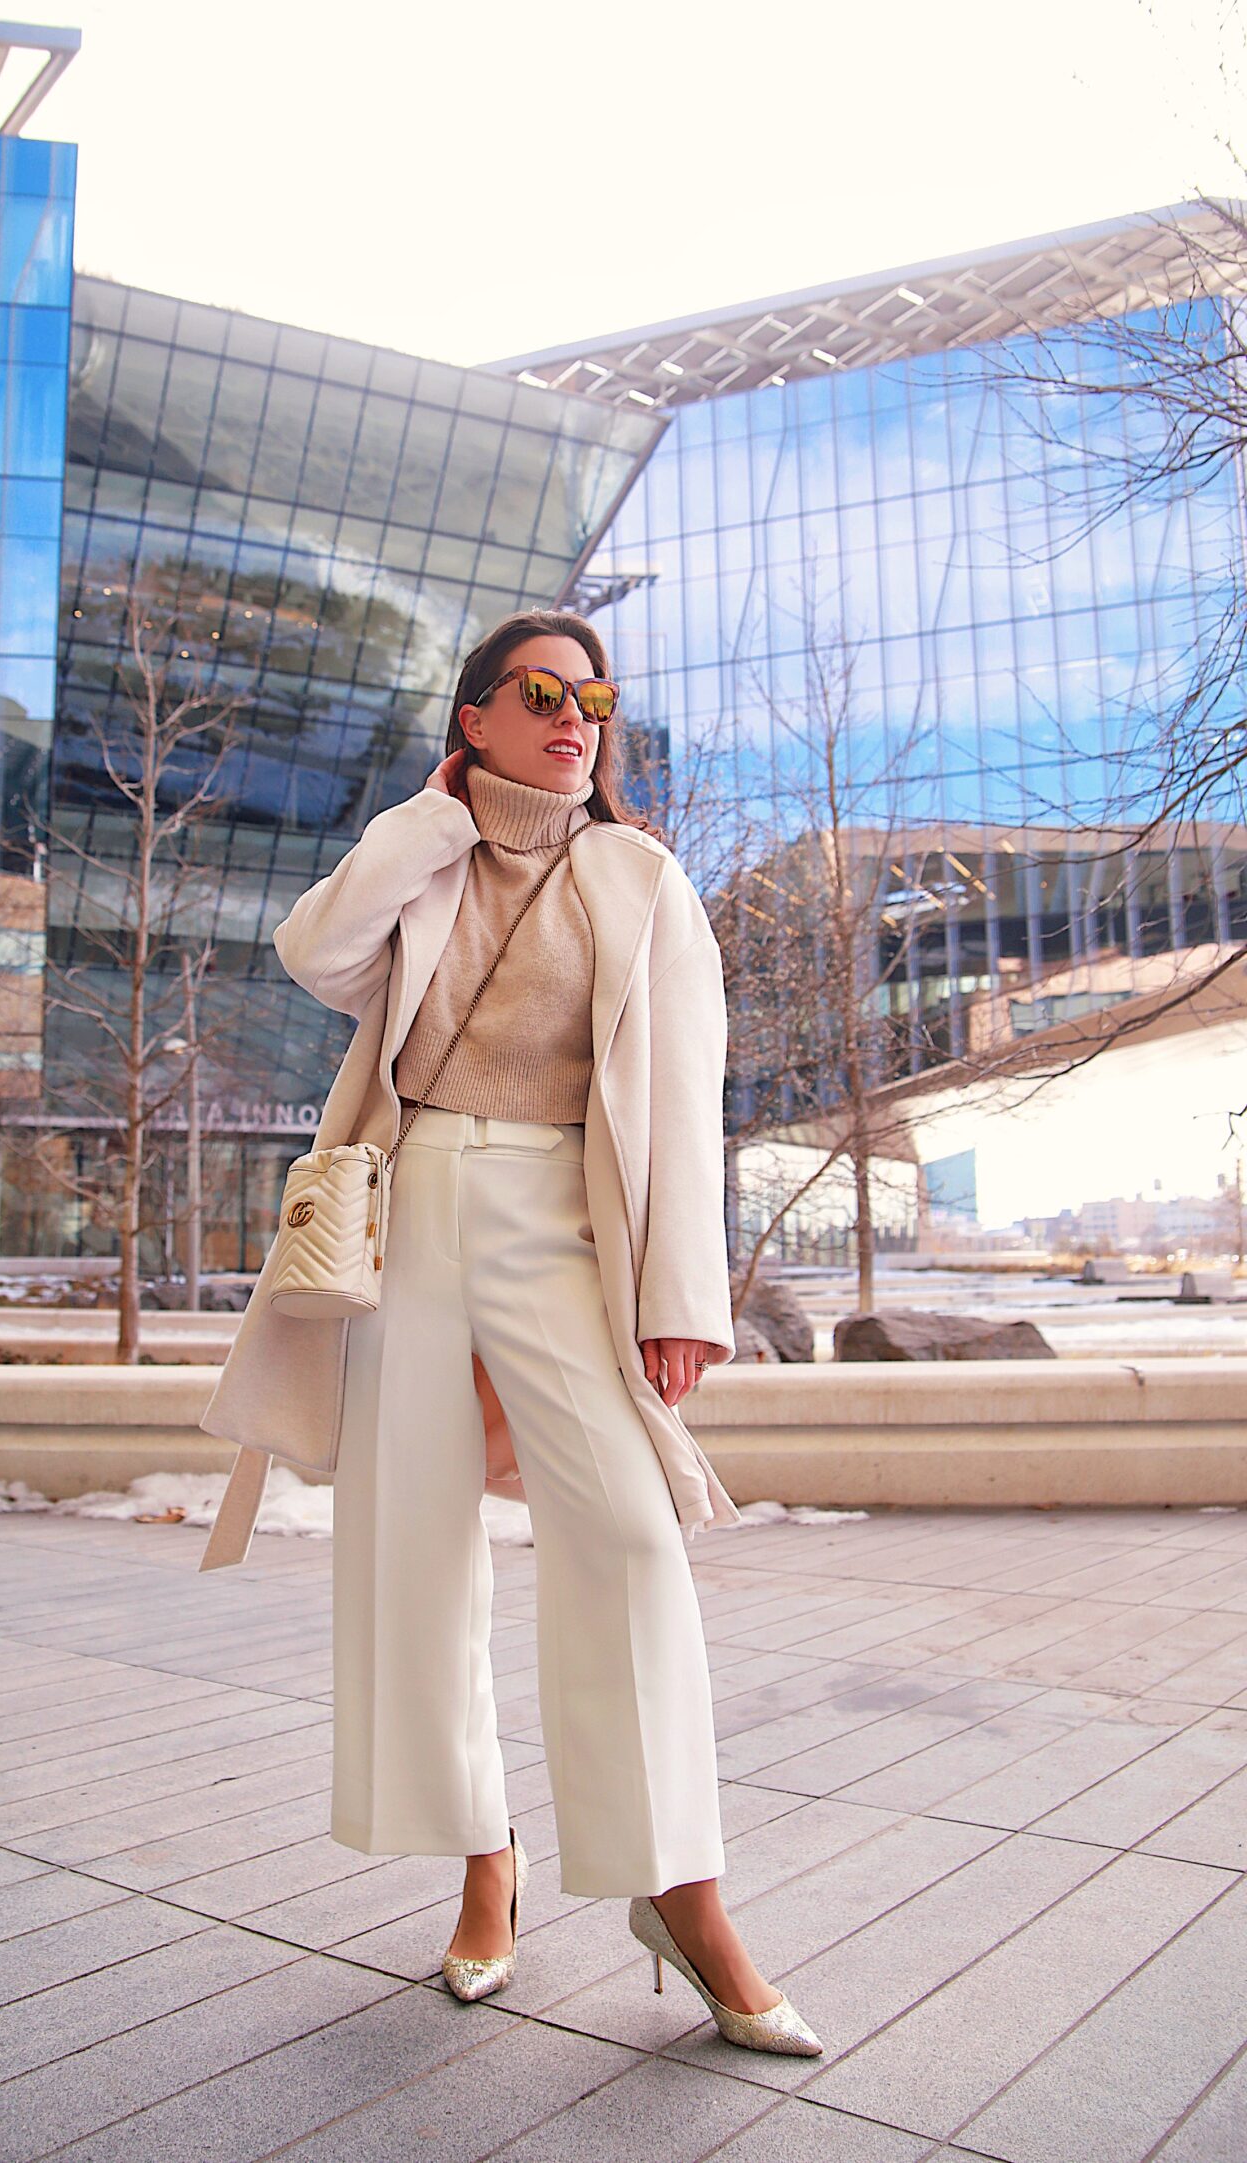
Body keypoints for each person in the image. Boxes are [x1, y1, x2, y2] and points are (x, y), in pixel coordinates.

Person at [198, 609, 822, 2055]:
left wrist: (682, 1302)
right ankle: (485, 1860)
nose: (577, 716)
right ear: (476, 716)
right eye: (543, 692)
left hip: (561, 1213)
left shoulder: (638, 877)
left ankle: (683, 1892)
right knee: (412, 1548)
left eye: (595, 696)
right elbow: (314, 950)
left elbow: (680, 1096)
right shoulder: (420, 864)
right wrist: (425, 826)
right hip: (408, 1210)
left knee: (625, 1531)